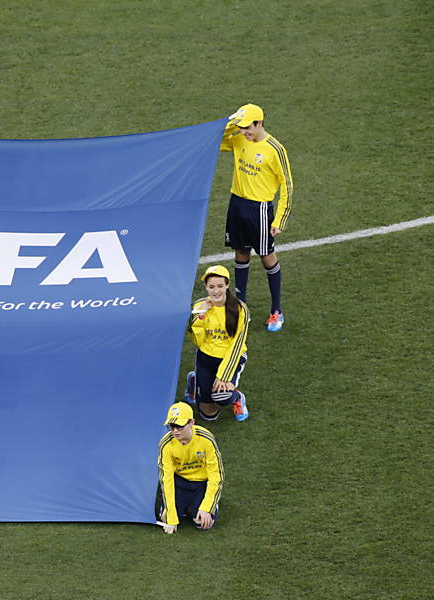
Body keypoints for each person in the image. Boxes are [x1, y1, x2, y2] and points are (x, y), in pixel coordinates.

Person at [220, 103, 294, 332]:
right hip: (236, 204)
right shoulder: (238, 138)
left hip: (259, 210)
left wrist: (279, 219)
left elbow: (287, 186)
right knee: (240, 253)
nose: (244, 132)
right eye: (241, 128)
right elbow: (217, 139)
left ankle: (276, 311)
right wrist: (232, 122)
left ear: (259, 123)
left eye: (247, 127)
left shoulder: (275, 149)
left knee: (266, 256)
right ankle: (241, 308)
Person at [184, 265, 250, 422]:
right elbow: (196, 339)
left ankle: (237, 397)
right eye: (211, 286)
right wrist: (200, 315)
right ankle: (195, 380)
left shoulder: (241, 309)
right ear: (206, 287)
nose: (216, 291)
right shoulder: (200, 306)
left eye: (220, 286)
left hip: (231, 357)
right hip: (206, 357)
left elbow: (237, 345)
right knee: (209, 416)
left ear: (227, 285)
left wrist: (223, 375)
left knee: (222, 395)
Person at [155, 402, 223, 534]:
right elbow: (166, 480)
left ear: (191, 423)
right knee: (169, 519)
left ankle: (208, 504)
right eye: (172, 426)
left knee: (202, 523)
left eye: (179, 426)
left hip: (201, 484)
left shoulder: (206, 439)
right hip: (179, 483)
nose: (175, 431)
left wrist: (207, 508)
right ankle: (185, 507)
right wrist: (171, 518)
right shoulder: (166, 444)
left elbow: (217, 476)